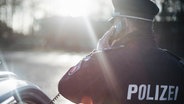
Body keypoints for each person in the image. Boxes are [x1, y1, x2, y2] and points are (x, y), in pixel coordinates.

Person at [58, 0, 184, 104]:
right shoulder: (178, 67)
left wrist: (99, 55)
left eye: (114, 23)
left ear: (123, 24)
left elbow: (65, 87)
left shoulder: (106, 64)